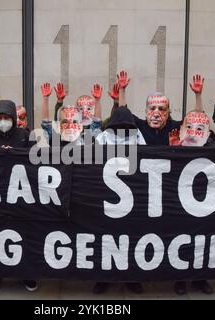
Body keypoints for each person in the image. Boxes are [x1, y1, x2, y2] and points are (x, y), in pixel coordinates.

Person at [0, 99, 36, 296]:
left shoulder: (24, 135)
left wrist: (17, 153)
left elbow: (36, 158)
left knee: (22, 234)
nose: (3, 121)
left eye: (6, 117)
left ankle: (25, 272)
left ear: (13, 118)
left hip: (19, 196)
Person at [170, 75, 215, 295]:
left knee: (203, 240)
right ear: (183, 128)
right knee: (182, 239)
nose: (196, 129)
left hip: (205, 202)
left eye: (200, 128)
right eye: (191, 126)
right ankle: (180, 279)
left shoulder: (212, 146)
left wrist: (199, 97)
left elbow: (200, 118)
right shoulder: (174, 144)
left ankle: (200, 278)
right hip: (180, 203)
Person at [92, 105, 146, 295]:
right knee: (105, 239)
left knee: (131, 239)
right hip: (105, 195)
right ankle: (103, 278)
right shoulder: (103, 136)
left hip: (133, 197)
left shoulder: (137, 135)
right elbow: (90, 160)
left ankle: (131, 278)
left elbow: (148, 158)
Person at [116, 70, 182, 145]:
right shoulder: (141, 127)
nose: (156, 114)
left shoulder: (175, 128)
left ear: (167, 112)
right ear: (146, 111)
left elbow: (193, 121)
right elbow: (123, 113)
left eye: (161, 109)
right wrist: (122, 90)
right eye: (152, 108)